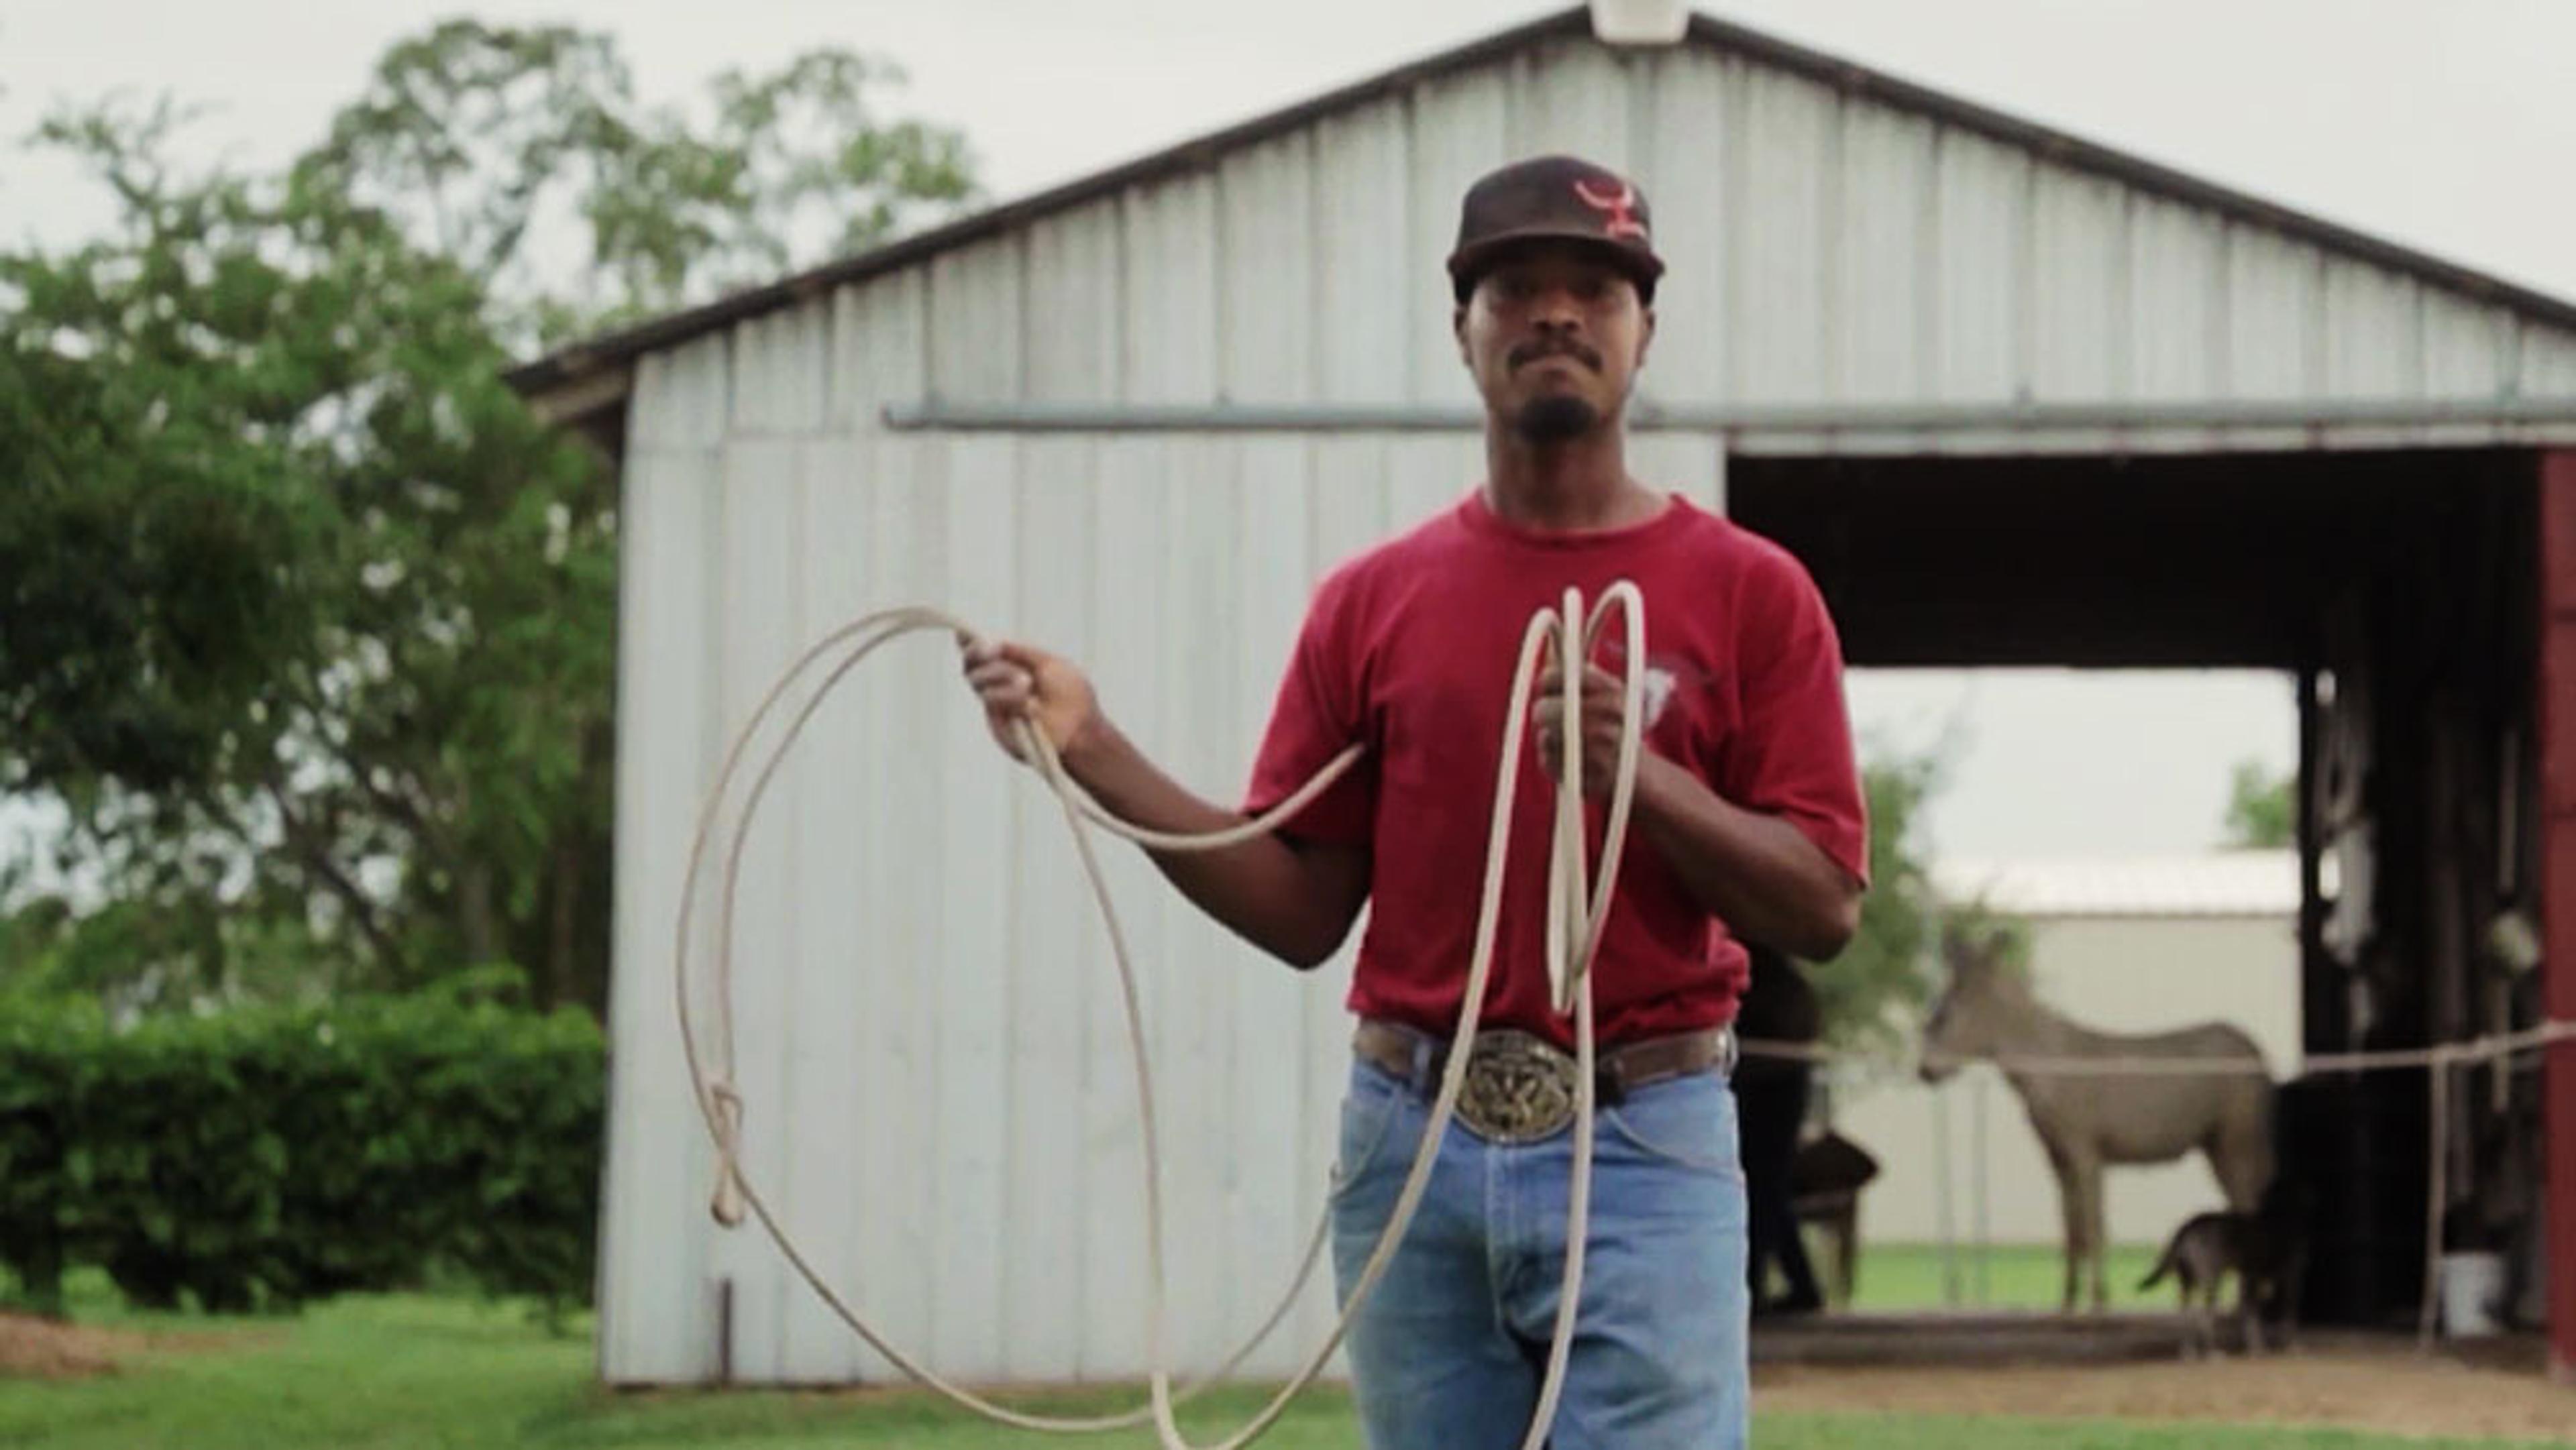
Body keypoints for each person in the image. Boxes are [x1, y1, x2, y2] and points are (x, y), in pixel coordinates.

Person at [963, 154, 1868, 1450]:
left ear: (1643, 332)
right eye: (1515, 287)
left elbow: (1825, 902)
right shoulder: (1375, 602)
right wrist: (1095, 748)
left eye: (1595, 290)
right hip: (1411, 1141)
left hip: (1647, 1140)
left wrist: (1637, 779)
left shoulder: (1752, 592)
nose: (1555, 313)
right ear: (1463, 329)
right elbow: (1300, 907)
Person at [1731, 938, 1827, 1318]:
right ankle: (1797, 1285)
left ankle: (1755, 1286)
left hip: (1771, 1088)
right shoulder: (1774, 974)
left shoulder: (1766, 974)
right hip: (1767, 1085)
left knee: (1764, 1186)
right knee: (1768, 1189)